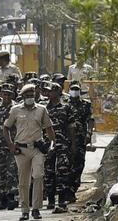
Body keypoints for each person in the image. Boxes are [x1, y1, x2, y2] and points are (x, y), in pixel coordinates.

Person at [4, 84, 56, 220]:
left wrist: (52, 144)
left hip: (37, 149)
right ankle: (25, 210)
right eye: (27, 96)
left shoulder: (41, 109)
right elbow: (6, 128)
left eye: (32, 96)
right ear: (22, 97)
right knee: (23, 181)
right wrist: (10, 145)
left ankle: (36, 209)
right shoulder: (15, 110)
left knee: (38, 176)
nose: (30, 98)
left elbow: (49, 128)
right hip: (21, 150)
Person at [42, 82, 72, 213]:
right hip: (47, 144)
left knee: (62, 171)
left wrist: (72, 146)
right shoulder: (43, 108)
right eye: (47, 91)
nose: (48, 93)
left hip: (63, 144)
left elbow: (72, 128)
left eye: (51, 91)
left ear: (58, 92)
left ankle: (62, 200)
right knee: (48, 172)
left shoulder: (66, 108)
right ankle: (50, 200)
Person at [67, 83, 93, 202]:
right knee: (66, 165)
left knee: (79, 164)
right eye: (72, 89)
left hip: (80, 138)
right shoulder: (64, 104)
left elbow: (90, 120)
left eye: (76, 89)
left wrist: (89, 134)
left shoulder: (86, 105)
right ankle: (66, 190)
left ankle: (73, 188)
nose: (74, 91)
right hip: (66, 139)